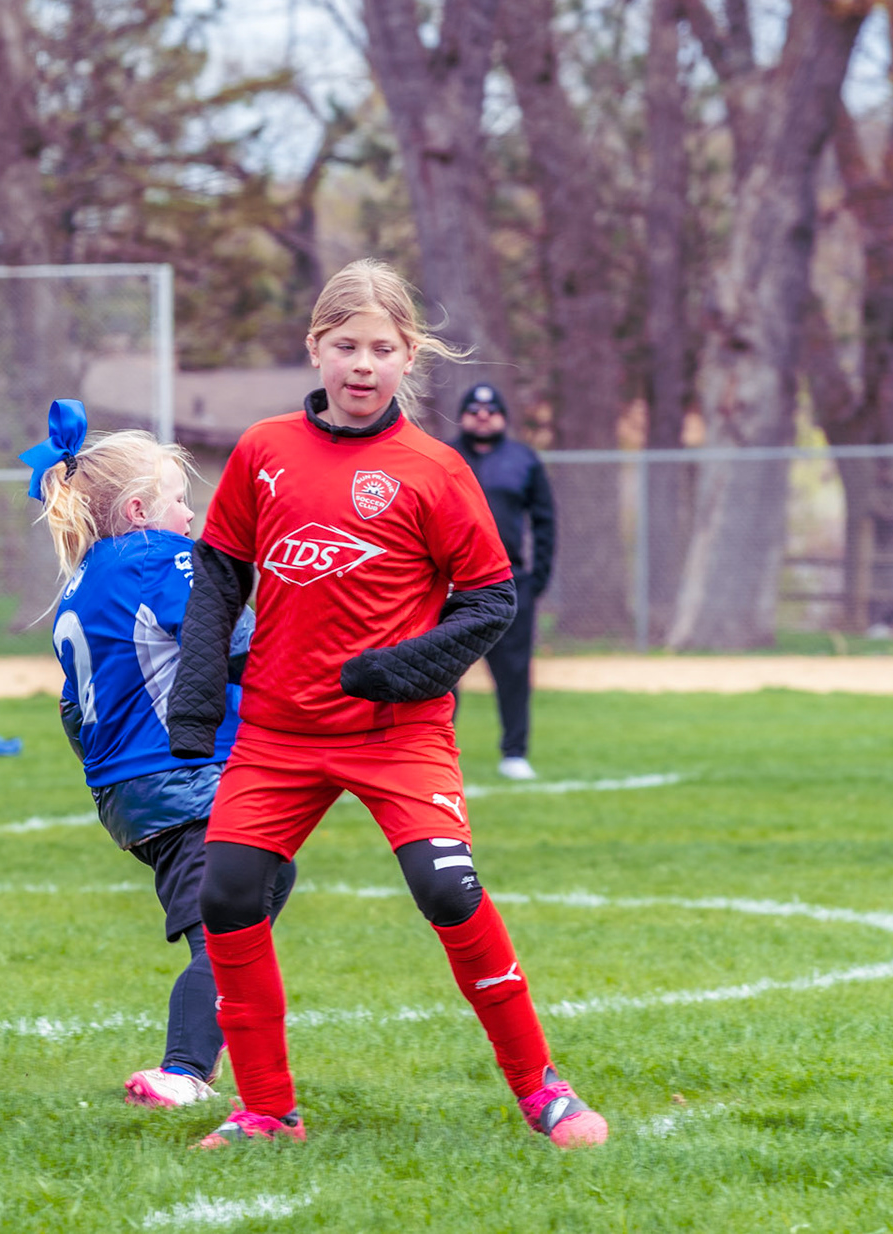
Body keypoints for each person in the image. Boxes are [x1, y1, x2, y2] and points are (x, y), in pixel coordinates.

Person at [166, 258, 608, 1151]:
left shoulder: (437, 470)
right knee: (229, 893)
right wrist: (199, 694)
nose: (361, 364)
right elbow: (218, 576)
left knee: (446, 888)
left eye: (381, 348)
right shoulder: (262, 451)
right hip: (279, 733)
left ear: (410, 357)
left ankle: (543, 1091)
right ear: (315, 349)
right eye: (344, 346)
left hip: (396, 732)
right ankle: (265, 1110)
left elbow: (491, 601)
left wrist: (397, 672)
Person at [25, 403, 296, 1111]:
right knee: (226, 934)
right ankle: (183, 1072)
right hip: (185, 781)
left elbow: (70, 710)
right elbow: (231, 643)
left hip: (133, 792)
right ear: (141, 509)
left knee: (266, 885)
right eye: (182, 501)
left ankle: (202, 1060)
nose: (192, 517)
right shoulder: (157, 556)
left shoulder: (84, 583)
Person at [453, 384, 555, 781]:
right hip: (452, 583)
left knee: (513, 671)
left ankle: (515, 752)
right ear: (463, 415)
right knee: (440, 673)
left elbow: (545, 522)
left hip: (508, 582)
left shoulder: (523, 460)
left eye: (490, 410)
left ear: (503, 416)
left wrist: (536, 579)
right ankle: (437, 751)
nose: (482, 416)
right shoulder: (443, 457)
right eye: (474, 410)